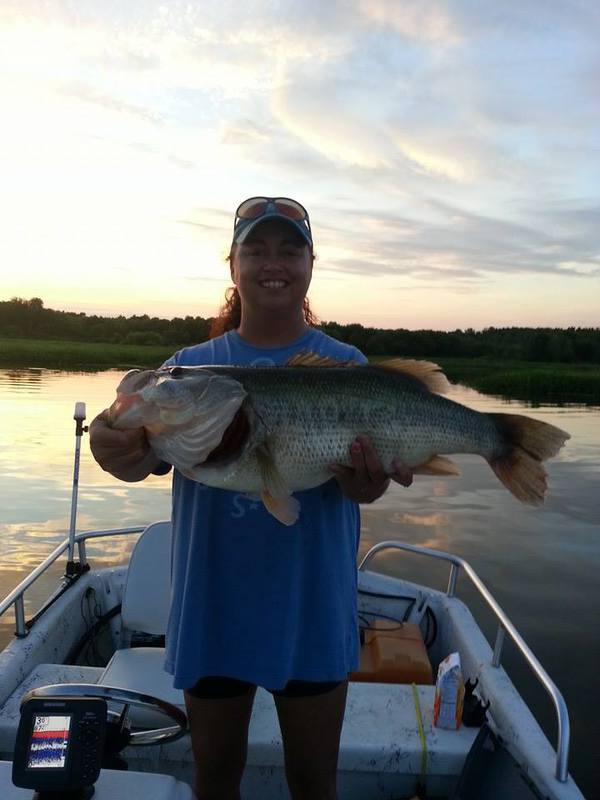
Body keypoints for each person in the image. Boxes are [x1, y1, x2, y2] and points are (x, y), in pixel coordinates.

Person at [89, 196, 413, 800]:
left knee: (315, 780)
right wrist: (116, 451)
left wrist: (368, 483)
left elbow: (364, 485)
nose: (274, 263)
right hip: (213, 610)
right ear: (232, 265)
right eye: (256, 249)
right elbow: (136, 458)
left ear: (311, 263)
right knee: (215, 776)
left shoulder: (346, 366)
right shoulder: (188, 371)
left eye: (290, 249)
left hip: (312, 608)